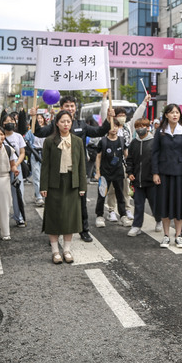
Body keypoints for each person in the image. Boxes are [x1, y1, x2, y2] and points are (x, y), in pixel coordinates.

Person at [32, 95, 114, 242]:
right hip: (58, 172)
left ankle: (84, 230)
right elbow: (39, 133)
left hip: (77, 171)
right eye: (66, 106)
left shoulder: (81, 124)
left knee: (81, 202)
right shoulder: (55, 125)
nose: (70, 109)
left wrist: (109, 119)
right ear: (61, 109)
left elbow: (99, 132)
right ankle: (56, 234)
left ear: (75, 108)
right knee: (57, 204)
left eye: (72, 106)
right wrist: (32, 117)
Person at [40, 109, 87, 264]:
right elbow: (45, 165)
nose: (66, 124)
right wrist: (43, 186)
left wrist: (82, 186)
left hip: (72, 182)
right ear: (57, 123)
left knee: (70, 218)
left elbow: (81, 166)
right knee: (53, 216)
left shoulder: (77, 141)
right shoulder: (49, 141)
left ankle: (66, 250)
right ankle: (55, 252)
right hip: (54, 183)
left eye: (68, 121)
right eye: (62, 121)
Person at [100, 94, 151, 222]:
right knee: (111, 188)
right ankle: (111, 210)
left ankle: (127, 208)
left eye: (124, 115)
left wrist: (144, 102)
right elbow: (104, 114)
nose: (122, 117)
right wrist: (105, 100)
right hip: (110, 162)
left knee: (125, 187)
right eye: (119, 115)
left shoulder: (128, 127)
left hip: (124, 162)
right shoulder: (111, 127)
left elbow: (137, 116)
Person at [152, 103, 182, 249]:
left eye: (177, 112)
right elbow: (155, 152)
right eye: (172, 112)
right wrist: (155, 172)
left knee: (179, 206)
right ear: (166, 115)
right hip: (164, 173)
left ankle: (178, 236)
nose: (175, 115)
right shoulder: (160, 131)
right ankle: (166, 235)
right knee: (164, 204)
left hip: (180, 174)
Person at [125, 118, 159, 236]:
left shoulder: (154, 142)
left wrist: (156, 174)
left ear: (148, 127)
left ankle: (158, 219)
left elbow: (158, 160)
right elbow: (129, 160)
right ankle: (136, 226)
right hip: (137, 181)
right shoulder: (134, 143)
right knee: (138, 205)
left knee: (155, 203)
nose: (140, 129)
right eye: (138, 126)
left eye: (142, 126)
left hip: (151, 180)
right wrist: (130, 173)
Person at [94, 119, 130, 228]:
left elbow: (126, 155)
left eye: (116, 126)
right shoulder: (103, 141)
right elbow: (98, 156)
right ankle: (99, 216)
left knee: (120, 195)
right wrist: (98, 172)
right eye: (111, 126)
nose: (113, 128)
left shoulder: (122, 140)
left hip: (118, 172)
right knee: (102, 195)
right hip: (105, 173)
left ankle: (123, 215)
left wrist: (130, 168)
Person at [1, 113, 27, 227]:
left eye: (11, 121)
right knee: (3, 195)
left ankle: (19, 217)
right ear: (2, 123)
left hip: (16, 168)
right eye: (6, 121)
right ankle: (3, 218)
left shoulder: (18, 136)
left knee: (18, 193)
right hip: (2, 169)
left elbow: (22, 153)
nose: (9, 123)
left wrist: (15, 164)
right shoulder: (0, 136)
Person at [25, 113, 46, 206]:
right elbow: (26, 141)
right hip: (35, 155)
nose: (40, 120)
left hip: (45, 155)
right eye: (37, 119)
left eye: (41, 118)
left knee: (44, 176)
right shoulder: (31, 132)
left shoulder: (46, 130)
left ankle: (39, 193)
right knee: (37, 176)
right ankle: (39, 197)